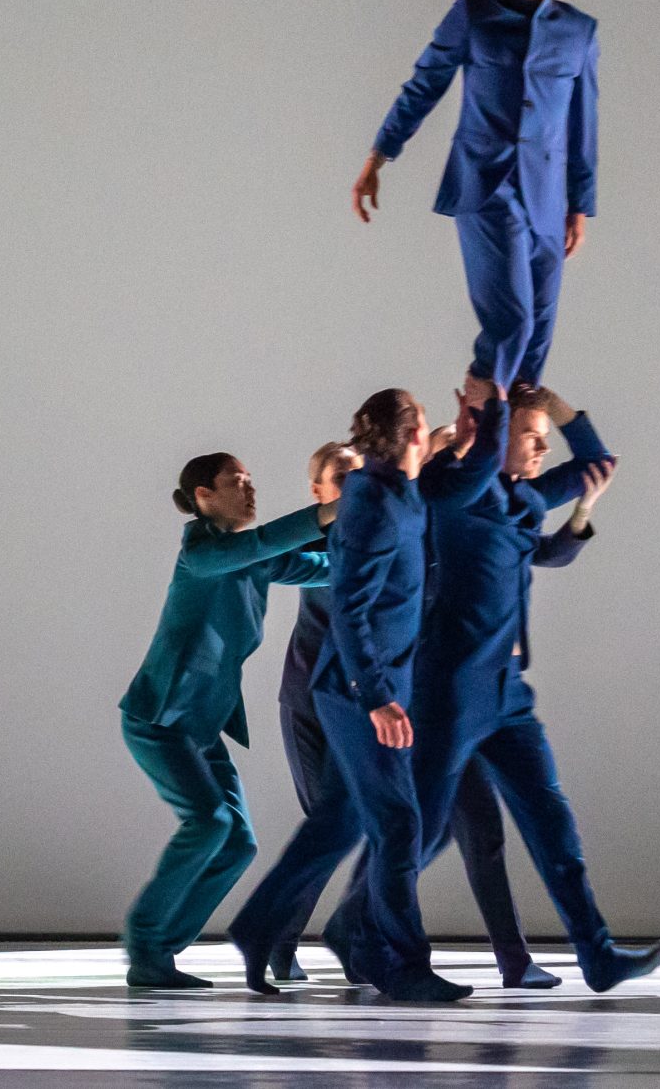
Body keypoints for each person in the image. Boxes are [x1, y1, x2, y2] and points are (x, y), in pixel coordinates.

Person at [225, 379, 506, 1003]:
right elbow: (349, 611)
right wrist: (377, 696)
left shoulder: (404, 490)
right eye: (427, 425)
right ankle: (398, 963)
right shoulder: (371, 503)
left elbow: (466, 474)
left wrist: (482, 422)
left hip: (380, 687)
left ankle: (258, 926)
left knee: (339, 823)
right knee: (401, 825)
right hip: (358, 693)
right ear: (413, 435)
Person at [401, 384, 660, 992]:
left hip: (508, 694)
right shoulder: (458, 492)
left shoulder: (525, 497)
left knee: (552, 823)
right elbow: (437, 480)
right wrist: (470, 433)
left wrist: (558, 408)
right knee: (425, 830)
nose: (544, 449)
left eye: (545, 439)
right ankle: (360, 930)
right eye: (531, 436)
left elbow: (598, 464)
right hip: (453, 688)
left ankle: (596, 954)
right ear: (499, 437)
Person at [269, 443, 559, 989]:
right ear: (318, 491)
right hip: (319, 704)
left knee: (463, 825)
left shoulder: (417, 534)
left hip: (403, 706)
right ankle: (289, 940)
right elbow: (279, 562)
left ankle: (506, 958)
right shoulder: (333, 541)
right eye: (341, 480)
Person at [353, 0, 597, 390]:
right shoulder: (474, 13)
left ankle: (510, 436)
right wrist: (379, 155)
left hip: (548, 199)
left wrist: (579, 205)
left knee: (537, 339)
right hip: (486, 186)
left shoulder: (578, 31)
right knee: (513, 324)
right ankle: (477, 419)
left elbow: (582, 126)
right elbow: (425, 84)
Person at [116, 453, 329, 989]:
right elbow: (260, 545)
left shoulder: (254, 559)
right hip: (160, 721)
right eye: (237, 482)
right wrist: (329, 511)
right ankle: (145, 945)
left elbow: (323, 567)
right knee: (210, 823)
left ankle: (159, 953)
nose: (250, 490)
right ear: (204, 496)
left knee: (238, 843)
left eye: (251, 481)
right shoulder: (202, 553)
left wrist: (397, 547)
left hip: (202, 729)